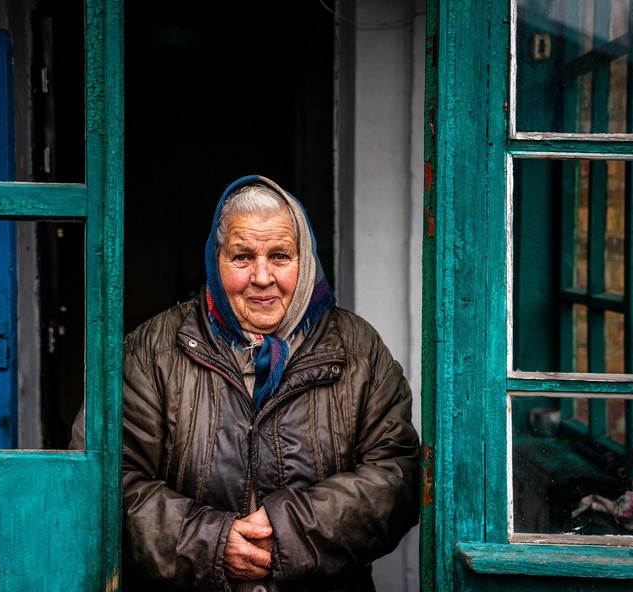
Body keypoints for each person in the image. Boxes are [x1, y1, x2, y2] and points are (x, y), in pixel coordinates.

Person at [74, 174, 420, 591]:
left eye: (280, 256)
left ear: (305, 260)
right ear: (215, 261)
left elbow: (396, 475)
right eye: (242, 257)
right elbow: (104, 482)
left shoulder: (358, 350)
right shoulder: (151, 352)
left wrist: (288, 529)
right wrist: (213, 544)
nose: (261, 277)